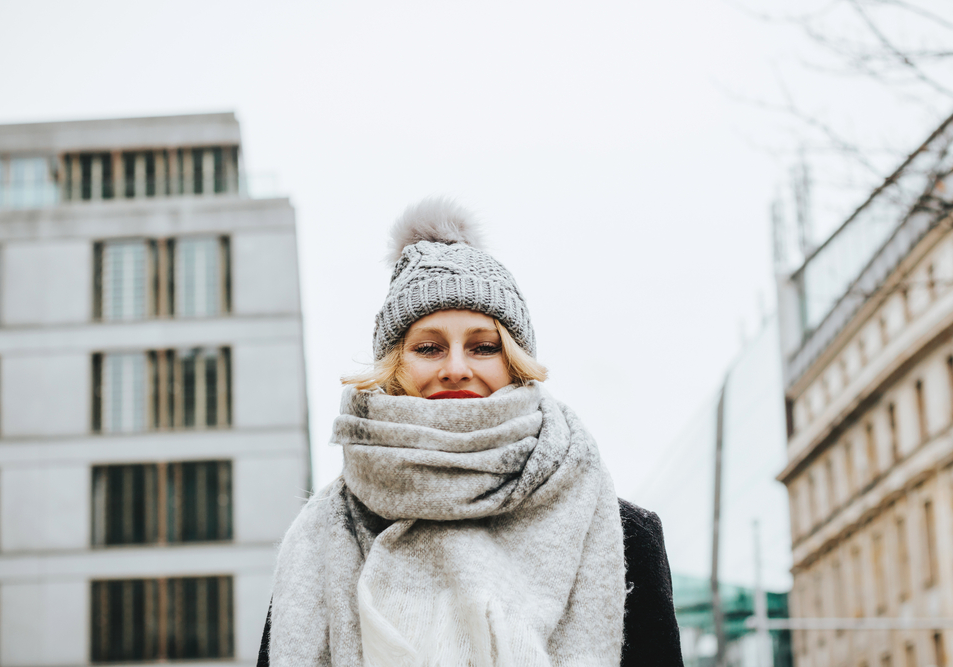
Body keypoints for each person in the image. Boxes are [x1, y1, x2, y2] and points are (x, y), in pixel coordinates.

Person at [258, 198, 682, 666]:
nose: (456, 369)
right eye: (428, 347)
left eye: (483, 347)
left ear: (514, 364)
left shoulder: (625, 535)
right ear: (395, 365)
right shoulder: (320, 539)